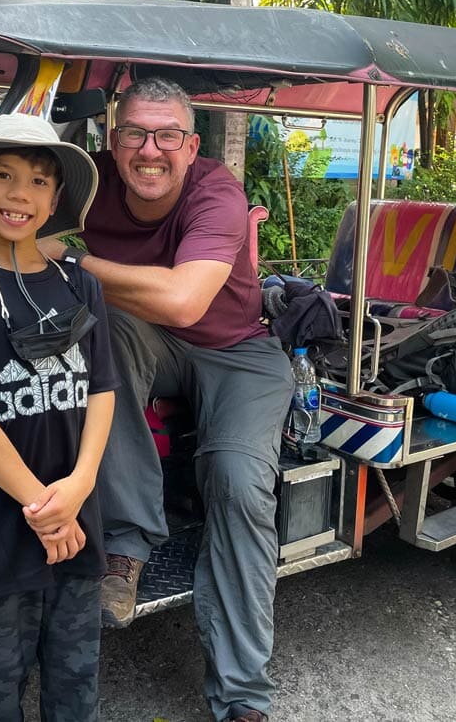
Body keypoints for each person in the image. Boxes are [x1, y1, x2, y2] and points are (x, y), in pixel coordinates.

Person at [40, 78, 294, 722]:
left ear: (192, 144)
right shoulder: (86, 182)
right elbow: (6, 212)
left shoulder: (217, 192)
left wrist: (71, 262)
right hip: (145, 341)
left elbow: (183, 300)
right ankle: (125, 548)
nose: (149, 150)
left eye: (167, 136)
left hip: (237, 350)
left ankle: (242, 698)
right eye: (133, 133)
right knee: (107, 331)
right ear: (111, 139)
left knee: (237, 482)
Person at [0, 113, 117, 722]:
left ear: (56, 198)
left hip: (77, 526)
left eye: (38, 181)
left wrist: (80, 487)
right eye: (3, 176)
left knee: (75, 681)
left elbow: (103, 392)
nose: (19, 194)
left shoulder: (81, 286)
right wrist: (44, 510)